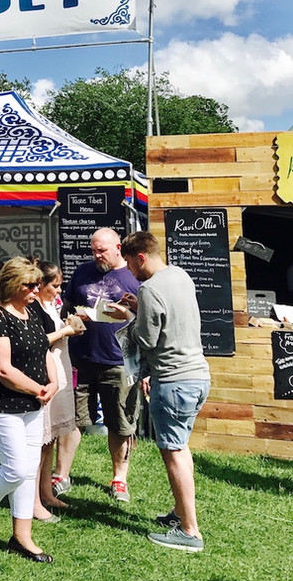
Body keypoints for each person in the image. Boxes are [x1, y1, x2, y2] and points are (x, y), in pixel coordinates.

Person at [113, 231, 211, 552]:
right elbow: (170, 316)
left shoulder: (149, 288)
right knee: (182, 447)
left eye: (128, 263)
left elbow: (146, 339)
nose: (128, 270)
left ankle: (189, 531)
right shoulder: (180, 275)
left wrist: (128, 315)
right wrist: (141, 306)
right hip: (198, 376)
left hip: (173, 381)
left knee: (174, 452)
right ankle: (181, 512)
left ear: (140, 257)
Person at [0, 257, 58, 563]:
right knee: (16, 469)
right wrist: (37, 388)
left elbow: (43, 348)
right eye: (30, 285)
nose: (36, 289)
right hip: (3, 404)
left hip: (33, 402)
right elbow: (2, 369)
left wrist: (53, 382)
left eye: (37, 284)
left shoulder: (32, 311)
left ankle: (22, 536)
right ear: (13, 286)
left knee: (28, 471)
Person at [61, 227, 141, 501]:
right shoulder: (83, 271)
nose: (96, 255)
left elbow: (147, 318)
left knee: (119, 423)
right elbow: (67, 305)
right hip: (80, 358)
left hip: (118, 361)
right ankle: (61, 474)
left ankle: (120, 479)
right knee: (72, 420)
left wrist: (128, 313)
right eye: (93, 250)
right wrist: (74, 317)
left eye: (102, 250)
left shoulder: (134, 275)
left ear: (118, 247)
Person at [29, 260, 84, 519]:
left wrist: (69, 326)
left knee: (49, 440)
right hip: (44, 376)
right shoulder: (33, 308)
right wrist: (66, 331)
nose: (59, 291)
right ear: (39, 285)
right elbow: (40, 340)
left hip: (59, 373)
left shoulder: (49, 305)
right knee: (40, 441)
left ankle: (46, 493)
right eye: (55, 286)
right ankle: (33, 500)